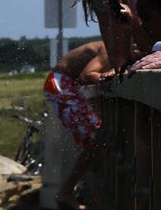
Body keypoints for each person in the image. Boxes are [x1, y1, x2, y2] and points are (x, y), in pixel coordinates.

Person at [43, 41, 112, 210]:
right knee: (95, 139)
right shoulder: (108, 48)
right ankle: (66, 192)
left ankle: (85, 195)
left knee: (94, 142)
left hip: (65, 84)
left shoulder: (116, 45)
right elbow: (87, 75)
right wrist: (107, 75)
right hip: (60, 84)